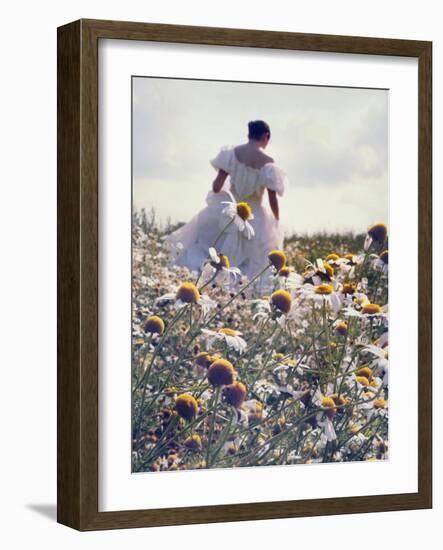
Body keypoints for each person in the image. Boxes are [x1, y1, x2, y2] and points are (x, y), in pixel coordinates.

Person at [164, 120, 288, 287]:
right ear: (265, 136)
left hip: (229, 210)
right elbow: (272, 199)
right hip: (255, 217)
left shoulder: (231, 154)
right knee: (251, 263)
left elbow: (216, 187)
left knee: (215, 253)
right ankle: (238, 294)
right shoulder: (268, 162)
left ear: (249, 134)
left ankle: (205, 284)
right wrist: (276, 221)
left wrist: (228, 195)